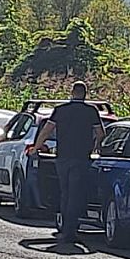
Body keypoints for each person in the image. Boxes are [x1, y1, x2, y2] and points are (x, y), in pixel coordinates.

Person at [29, 81, 106, 245]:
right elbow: (100, 133)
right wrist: (96, 147)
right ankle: (71, 230)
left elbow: (47, 130)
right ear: (85, 94)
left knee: (65, 192)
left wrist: (36, 147)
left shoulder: (60, 110)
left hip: (63, 157)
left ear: (72, 93)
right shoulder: (91, 111)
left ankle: (65, 228)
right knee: (76, 194)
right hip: (82, 158)